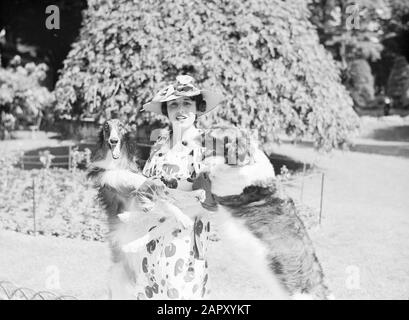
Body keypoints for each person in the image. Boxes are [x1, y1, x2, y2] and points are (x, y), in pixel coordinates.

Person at [135, 75, 224, 299]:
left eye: (187, 103)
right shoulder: (160, 143)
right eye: (174, 104)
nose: (180, 109)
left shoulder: (207, 144)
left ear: (198, 107)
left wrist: (173, 199)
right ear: (166, 110)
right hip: (152, 239)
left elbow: (211, 202)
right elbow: (146, 187)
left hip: (185, 244)